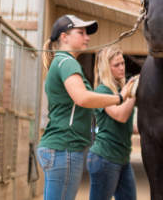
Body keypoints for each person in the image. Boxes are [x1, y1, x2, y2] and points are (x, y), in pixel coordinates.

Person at [37, 15, 132, 200]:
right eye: (81, 32)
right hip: (65, 147)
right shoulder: (67, 62)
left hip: (58, 147)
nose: (87, 37)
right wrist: (120, 97)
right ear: (64, 37)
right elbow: (82, 98)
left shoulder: (60, 62)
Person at [87, 47, 137, 200]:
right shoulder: (103, 91)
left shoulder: (121, 90)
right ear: (106, 68)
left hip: (123, 159)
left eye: (123, 63)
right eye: (117, 65)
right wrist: (134, 92)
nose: (122, 67)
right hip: (105, 159)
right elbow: (120, 116)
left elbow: (126, 125)